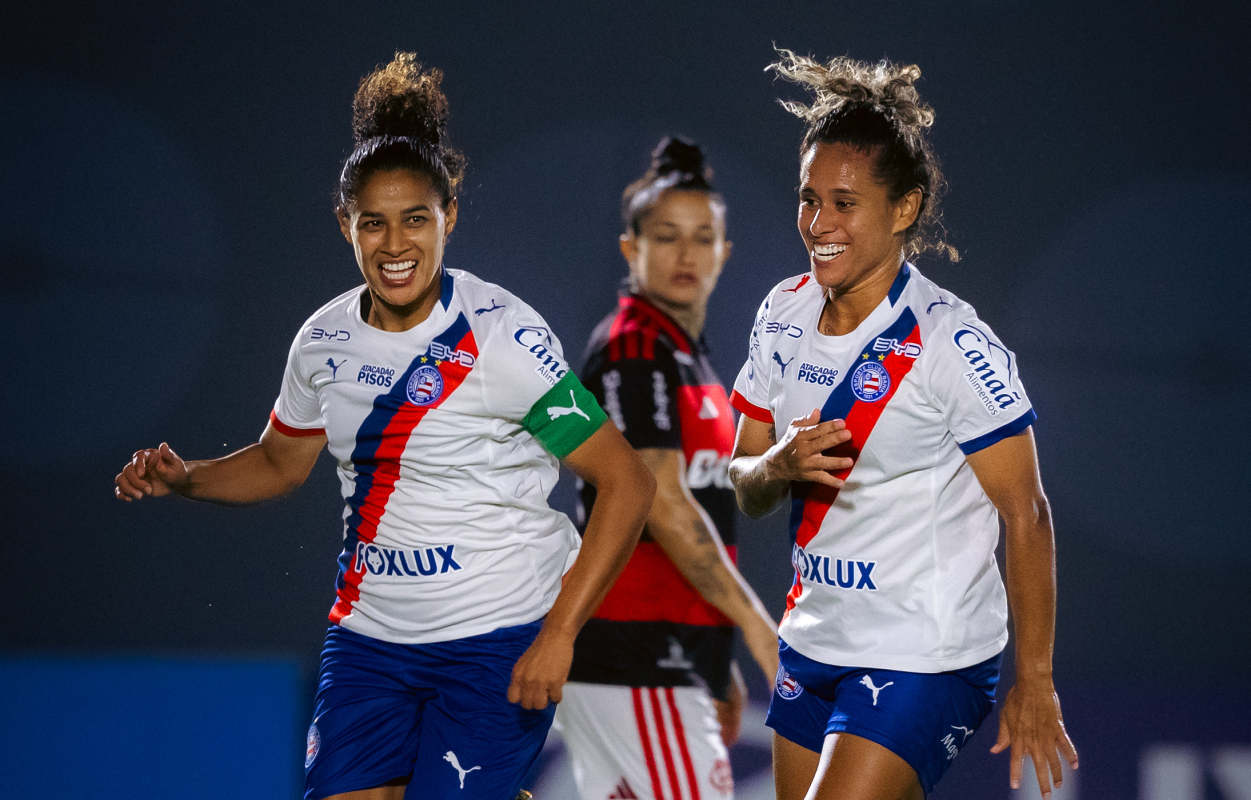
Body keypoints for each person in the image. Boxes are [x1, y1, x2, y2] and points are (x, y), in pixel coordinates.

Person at [113, 52, 655, 800]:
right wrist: (189, 478)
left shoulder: (503, 339)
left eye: (416, 220)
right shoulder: (323, 342)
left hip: (496, 636)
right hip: (370, 640)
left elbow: (626, 481)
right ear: (346, 226)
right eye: (374, 223)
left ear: (450, 217)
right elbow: (281, 463)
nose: (395, 245)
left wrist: (559, 634)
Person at [726, 51, 1079, 800]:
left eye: (843, 203)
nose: (816, 224)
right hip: (813, 640)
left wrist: (1035, 680)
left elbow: (1026, 511)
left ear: (904, 208)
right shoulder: (780, 314)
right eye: (806, 199)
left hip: (925, 654)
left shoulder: (951, 343)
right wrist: (776, 468)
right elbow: (742, 484)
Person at [556, 137, 779, 800]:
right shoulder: (633, 347)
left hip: (669, 658)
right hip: (635, 656)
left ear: (724, 252)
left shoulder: (687, 357)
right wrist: (757, 630)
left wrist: (719, 661)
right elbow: (661, 504)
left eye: (703, 237)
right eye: (666, 236)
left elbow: (699, 512)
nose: (686, 254)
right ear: (631, 248)